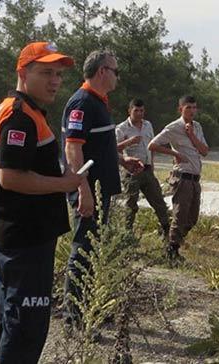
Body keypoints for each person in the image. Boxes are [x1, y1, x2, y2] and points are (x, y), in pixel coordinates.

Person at [0, 42, 83, 364]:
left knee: (5, 314)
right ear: (23, 73)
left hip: (19, 237)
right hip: (24, 239)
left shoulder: (26, 111)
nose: (55, 81)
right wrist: (64, 183)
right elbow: (10, 177)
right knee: (25, 326)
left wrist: (58, 174)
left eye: (58, 74)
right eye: (45, 73)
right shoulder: (19, 116)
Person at [61, 50, 142, 327]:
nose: (118, 76)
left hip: (101, 191)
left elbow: (100, 146)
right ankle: (74, 317)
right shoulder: (82, 103)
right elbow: (73, 148)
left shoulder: (99, 102)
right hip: (89, 192)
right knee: (83, 250)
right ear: (102, 72)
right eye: (115, 71)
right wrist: (82, 189)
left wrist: (122, 160)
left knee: (95, 249)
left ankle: (89, 307)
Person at [148, 96, 209, 264]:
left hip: (195, 177)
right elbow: (152, 145)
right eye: (188, 107)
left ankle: (172, 241)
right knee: (180, 215)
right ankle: (171, 250)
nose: (192, 111)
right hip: (182, 177)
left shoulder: (197, 127)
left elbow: (204, 151)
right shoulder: (173, 127)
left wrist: (191, 136)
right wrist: (175, 154)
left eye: (194, 107)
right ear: (180, 109)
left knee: (192, 218)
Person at [116, 99, 170, 236]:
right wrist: (129, 142)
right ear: (130, 111)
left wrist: (152, 165)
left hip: (147, 169)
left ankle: (167, 232)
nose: (139, 113)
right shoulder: (122, 128)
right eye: (136, 111)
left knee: (158, 201)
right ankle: (127, 236)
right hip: (131, 171)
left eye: (142, 111)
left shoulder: (147, 125)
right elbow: (113, 149)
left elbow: (151, 147)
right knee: (131, 205)